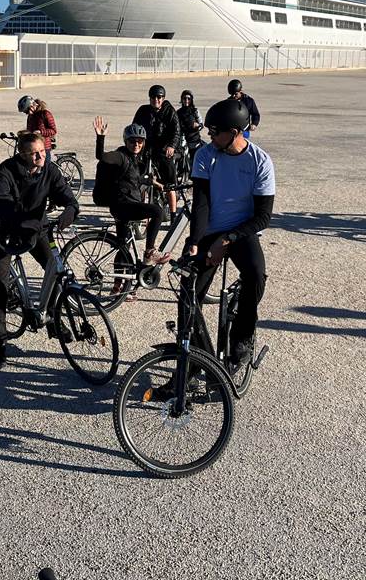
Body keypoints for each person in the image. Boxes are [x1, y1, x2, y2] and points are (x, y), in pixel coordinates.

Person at [183, 97, 275, 374]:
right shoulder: (205, 155)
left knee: (256, 275)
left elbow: (263, 217)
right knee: (189, 293)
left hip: (242, 231)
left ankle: (242, 337)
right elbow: (201, 204)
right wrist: (195, 242)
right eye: (208, 131)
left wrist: (229, 240)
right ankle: (193, 361)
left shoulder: (260, 162)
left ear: (234, 133)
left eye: (214, 132)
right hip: (212, 230)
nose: (209, 137)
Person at [0, 132, 79, 368]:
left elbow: (66, 195)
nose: (40, 156)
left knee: (56, 272)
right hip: (7, 232)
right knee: (0, 285)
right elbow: (0, 201)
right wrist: (21, 219)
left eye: (42, 151)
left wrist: (70, 209)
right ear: (22, 154)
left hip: (37, 231)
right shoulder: (8, 170)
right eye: (34, 153)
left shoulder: (49, 169)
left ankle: (51, 320)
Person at [93, 116, 170, 271]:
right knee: (157, 212)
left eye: (140, 141)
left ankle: (118, 288)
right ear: (125, 141)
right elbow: (101, 156)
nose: (136, 144)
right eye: (132, 141)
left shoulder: (133, 159)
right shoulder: (120, 156)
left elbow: (134, 179)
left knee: (123, 245)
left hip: (122, 205)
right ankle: (150, 251)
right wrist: (101, 137)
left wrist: (153, 182)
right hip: (124, 205)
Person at [132, 84, 181, 222]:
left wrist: (171, 146)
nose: (156, 100)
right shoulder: (143, 111)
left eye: (159, 97)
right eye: (153, 97)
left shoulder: (169, 111)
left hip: (163, 150)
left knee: (170, 184)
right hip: (146, 150)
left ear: (163, 98)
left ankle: (173, 214)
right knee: (137, 179)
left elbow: (176, 132)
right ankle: (139, 211)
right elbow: (135, 127)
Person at [17, 95, 57, 162]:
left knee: (44, 168)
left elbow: (53, 130)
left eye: (27, 111)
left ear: (32, 106)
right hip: (34, 146)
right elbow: (29, 130)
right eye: (25, 112)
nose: (27, 113)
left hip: (45, 147)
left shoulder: (45, 114)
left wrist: (41, 132)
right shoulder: (30, 116)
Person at [176, 89, 204, 171]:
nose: (186, 101)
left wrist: (197, 125)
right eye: (184, 98)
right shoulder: (178, 113)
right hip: (183, 140)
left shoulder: (195, 111)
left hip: (195, 141)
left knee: (195, 161)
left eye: (188, 99)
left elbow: (201, 125)